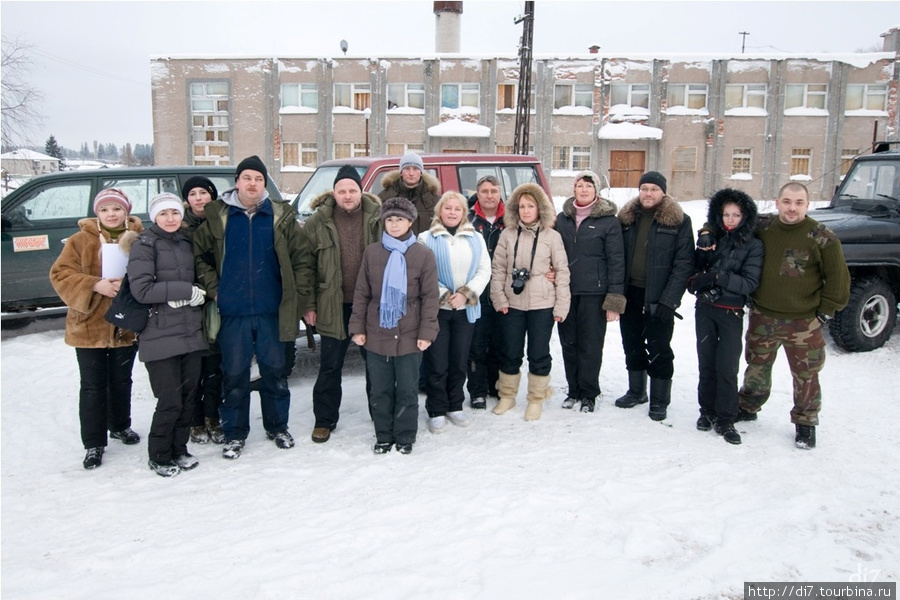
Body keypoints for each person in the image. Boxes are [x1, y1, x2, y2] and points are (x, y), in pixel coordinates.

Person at [193, 155, 305, 460]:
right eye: (247, 178)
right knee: (234, 375)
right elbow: (199, 256)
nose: (252, 183)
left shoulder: (280, 216)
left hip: (272, 310)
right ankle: (234, 433)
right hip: (233, 312)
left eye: (258, 178)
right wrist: (216, 290)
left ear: (264, 183)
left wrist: (299, 300)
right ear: (237, 182)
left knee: (274, 373)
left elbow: (301, 259)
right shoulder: (219, 215)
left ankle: (277, 427)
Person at [735, 182, 850, 449]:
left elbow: (839, 280)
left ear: (807, 206)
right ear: (777, 203)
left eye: (799, 203)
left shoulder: (822, 237)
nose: (792, 208)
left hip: (803, 322)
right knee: (756, 367)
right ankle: (748, 407)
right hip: (763, 316)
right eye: (787, 202)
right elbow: (726, 222)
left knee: (806, 374)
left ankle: (806, 422)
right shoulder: (762, 228)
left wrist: (824, 314)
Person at [49, 188, 144, 470]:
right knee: (92, 386)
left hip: (124, 324)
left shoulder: (139, 239)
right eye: (105, 209)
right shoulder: (79, 241)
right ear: (97, 213)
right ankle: (93, 443)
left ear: (126, 212)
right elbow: (60, 274)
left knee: (121, 380)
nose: (111, 214)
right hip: (88, 325)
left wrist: (128, 285)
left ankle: (120, 425)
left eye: (117, 209)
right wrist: (94, 284)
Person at [298, 165, 382, 444]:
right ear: (333, 193)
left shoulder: (378, 219)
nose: (347, 195)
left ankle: (380, 414)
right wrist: (309, 305)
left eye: (352, 190)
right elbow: (305, 267)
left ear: (361, 191)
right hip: (332, 305)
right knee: (330, 366)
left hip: (370, 307)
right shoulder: (317, 223)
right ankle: (324, 420)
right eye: (342, 190)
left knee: (376, 364)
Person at [349, 197, 439, 454]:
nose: (394, 223)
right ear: (383, 222)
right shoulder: (372, 252)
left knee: (408, 390)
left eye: (400, 218)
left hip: (410, 334)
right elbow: (361, 293)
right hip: (377, 331)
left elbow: (430, 298)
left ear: (410, 221)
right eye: (390, 219)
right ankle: (383, 436)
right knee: (380, 390)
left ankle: (405, 436)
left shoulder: (423, 254)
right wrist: (358, 328)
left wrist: (426, 333)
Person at [128, 193, 208, 476]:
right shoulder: (144, 245)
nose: (171, 219)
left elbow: (197, 277)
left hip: (189, 330)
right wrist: (184, 291)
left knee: (188, 397)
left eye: (175, 213)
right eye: (164, 214)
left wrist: (199, 291)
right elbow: (142, 290)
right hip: (159, 333)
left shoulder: (187, 242)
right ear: (154, 217)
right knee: (169, 400)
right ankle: (159, 454)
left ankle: (179, 448)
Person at [615, 171, 694, 421]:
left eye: (654, 189)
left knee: (660, 348)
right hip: (631, 294)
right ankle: (637, 391)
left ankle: (660, 400)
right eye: (644, 188)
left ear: (663, 192)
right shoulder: (627, 218)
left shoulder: (679, 221)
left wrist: (669, 301)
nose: (648, 193)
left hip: (659, 298)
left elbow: (684, 264)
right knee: (632, 345)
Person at [686, 188, 763, 445]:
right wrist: (698, 273)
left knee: (727, 366)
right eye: (726, 214)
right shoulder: (711, 238)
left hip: (730, 312)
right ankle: (706, 411)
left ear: (745, 216)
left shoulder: (753, 245)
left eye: (736, 215)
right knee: (706, 363)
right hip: (705, 310)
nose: (730, 219)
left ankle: (726, 417)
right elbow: (696, 268)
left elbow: (750, 282)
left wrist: (719, 278)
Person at [490, 183, 570, 421]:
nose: (525, 211)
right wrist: (499, 298)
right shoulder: (507, 234)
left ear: (540, 208)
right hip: (512, 303)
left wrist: (561, 305)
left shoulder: (552, 237)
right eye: (521, 206)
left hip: (542, 304)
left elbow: (563, 272)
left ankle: (536, 398)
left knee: (538, 352)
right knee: (510, 351)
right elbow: (498, 269)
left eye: (531, 206)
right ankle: (507, 395)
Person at [419, 191, 491, 432]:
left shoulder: (476, 238)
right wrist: (443, 295)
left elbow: (484, 271)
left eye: (457, 209)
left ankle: (455, 405)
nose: (452, 212)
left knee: (459, 360)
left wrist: (466, 294)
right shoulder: (425, 238)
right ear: (440, 211)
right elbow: (422, 274)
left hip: (465, 309)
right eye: (447, 208)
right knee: (437, 361)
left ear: (464, 213)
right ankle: (437, 408)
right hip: (437, 310)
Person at [556, 170, 626, 413]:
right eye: (580, 185)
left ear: (596, 190)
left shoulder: (608, 221)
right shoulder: (562, 219)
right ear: (573, 189)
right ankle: (573, 390)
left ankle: (589, 393)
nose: (584, 190)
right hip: (566, 293)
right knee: (568, 343)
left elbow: (616, 261)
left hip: (594, 294)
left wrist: (614, 300)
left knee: (591, 345)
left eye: (589, 186)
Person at [179, 176, 225, 445]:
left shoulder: (221, 223)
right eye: (193, 194)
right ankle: (194, 419)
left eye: (204, 193)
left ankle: (212, 417)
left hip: (216, 301)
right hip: (186, 303)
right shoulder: (176, 225)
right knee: (191, 366)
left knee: (214, 365)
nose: (199, 198)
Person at [466, 175, 505, 409]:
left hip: (503, 292)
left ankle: (495, 385)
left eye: (494, 191)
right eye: (484, 191)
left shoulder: (510, 219)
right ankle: (477, 390)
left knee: (501, 344)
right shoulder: (468, 220)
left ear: (500, 193)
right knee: (476, 345)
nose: (489, 195)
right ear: (477, 194)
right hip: (476, 293)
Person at [377, 151, 441, 235]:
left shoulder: (434, 200)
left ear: (421, 172)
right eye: (407, 168)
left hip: (423, 247)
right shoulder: (385, 197)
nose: (411, 173)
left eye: (415, 169)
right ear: (401, 172)